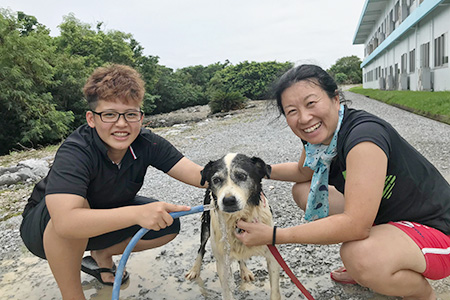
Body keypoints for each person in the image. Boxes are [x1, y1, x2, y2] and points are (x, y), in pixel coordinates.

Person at [235, 64, 450, 299]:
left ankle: (421, 294)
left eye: (311, 103)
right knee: (304, 192)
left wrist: (274, 235)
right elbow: (302, 173)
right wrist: (253, 170)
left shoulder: (364, 138)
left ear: (335, 99)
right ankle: (380, 257)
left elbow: (355, 225)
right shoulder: (318, 138)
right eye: (292, 111)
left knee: (360, 256)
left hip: (437, 228)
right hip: (393, 216)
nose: (305, 118)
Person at [20, 64, 204, 300]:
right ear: (92, 118)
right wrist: (137, 214)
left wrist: (254, 177)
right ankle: (73, 296)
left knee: (168, 225)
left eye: (130, 114)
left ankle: (102, 255)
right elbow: (66, 222)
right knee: (75, 212)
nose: (121, 124)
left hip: (101, 219)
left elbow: (200, 176)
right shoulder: (76, 150)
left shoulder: (147, 143)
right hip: (44, 229)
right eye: (109, 114)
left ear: (140, 117)